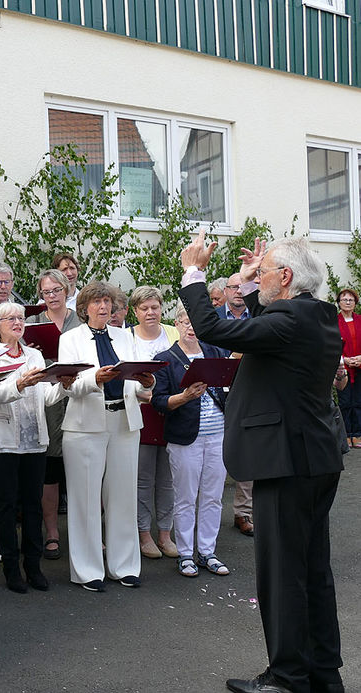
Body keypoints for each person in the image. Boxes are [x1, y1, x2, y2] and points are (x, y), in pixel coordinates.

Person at [179, 231, 344, 693]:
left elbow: (215, 329)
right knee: (311, 569)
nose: (256, 274)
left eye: (267, 269)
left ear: (286, 278)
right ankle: (321, 673)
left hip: (286, 462)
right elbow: (266, 332)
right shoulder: (316, 315)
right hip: (312, 458)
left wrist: (195, 273)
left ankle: (288, 677)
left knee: (282, 573)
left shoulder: (290, 319)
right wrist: (253, 287)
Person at [57, 282, 155, 592]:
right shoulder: (69, 338)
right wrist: (94, 378)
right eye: (97, 302)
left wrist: (147, 382)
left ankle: (124, 566)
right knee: (84, 499)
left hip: (123, 421)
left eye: (107, 302)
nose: (103, 307)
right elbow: (67, 385)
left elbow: (138, 388)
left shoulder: (125, 336)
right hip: (84, 425)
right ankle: (88, 571)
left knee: (123, 495)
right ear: (84, 307)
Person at [0, 302, 64, 593]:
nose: (18, 322)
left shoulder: (35, 355)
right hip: (3, 442)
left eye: (20, 317)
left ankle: (34, 565)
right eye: (10, 318)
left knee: (33, 505)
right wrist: (19, 383)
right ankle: (11, 568)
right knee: (5, 507)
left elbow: (46, 397)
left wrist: (64, 385)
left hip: (34, 441)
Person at [151, 306, 230, 578]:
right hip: (186, 437)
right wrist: (184, 397)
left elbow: (230, 385)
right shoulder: (166, 359)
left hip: (218, 434)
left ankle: (208, 551)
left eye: (195, 322)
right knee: (185, 497)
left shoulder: (215, 352)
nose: (191, 327)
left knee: (213, 497)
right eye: (186, 322)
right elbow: (158, 401)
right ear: (177, 324)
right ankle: (186, 553)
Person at [26, 269, 82, 561]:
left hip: (76, 398)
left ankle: (84, 534)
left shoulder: (80, 321)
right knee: (49, 472)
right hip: (47, 402)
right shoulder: (33, 323)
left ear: (66, 289)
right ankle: (52, 533)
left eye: (56, 290)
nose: (52, 297)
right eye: (46, 292)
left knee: (79, 471)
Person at [126, 286, 180, 560]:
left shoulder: (173, 333)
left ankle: (165, 534)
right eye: (144, 308)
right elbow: (121, 373)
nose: (150, 312)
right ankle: (144, 534)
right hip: (140, 412)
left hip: (170, 411)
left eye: (155, 307)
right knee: (143, 478)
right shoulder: (126, 337)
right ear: (135, 311)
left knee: (167, 479)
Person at [217, 272, 255, 537]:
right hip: (216, 393)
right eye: (234, 287)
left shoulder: (259, 316)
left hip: (252, 392)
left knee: (248, 453)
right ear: (226, 291)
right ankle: (205, 517)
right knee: (212, 456)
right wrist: (232, 356)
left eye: (243, 287)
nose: (239, 291)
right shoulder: (213, 318)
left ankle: (244, 512)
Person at [335, 288, 360, 448]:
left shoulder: (360, 320)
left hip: (359, 367)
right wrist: (344, 360)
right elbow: (332, 344)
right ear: (339, 303)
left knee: (358, 402)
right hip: (342, 368)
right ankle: (346, 434)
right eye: (344, 299)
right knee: (344, 402)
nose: (348, 302)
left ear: (355, 303)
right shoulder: (333, 321)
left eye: (351, 300)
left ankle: (357, 434)